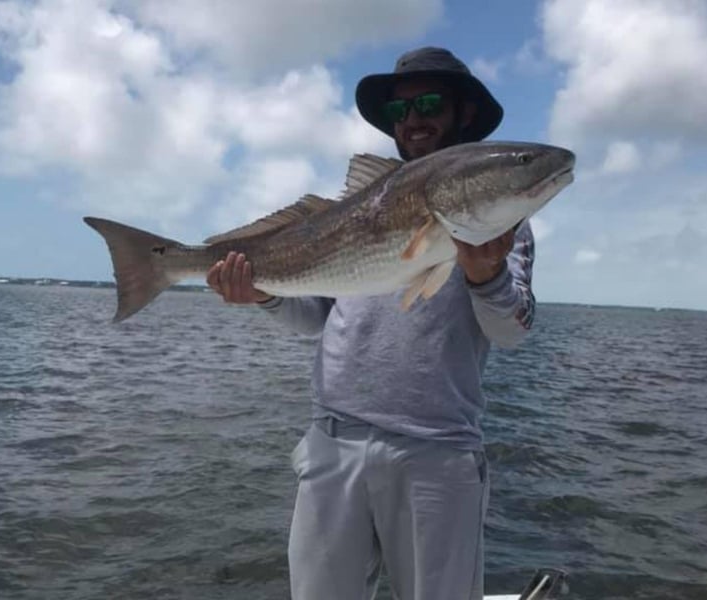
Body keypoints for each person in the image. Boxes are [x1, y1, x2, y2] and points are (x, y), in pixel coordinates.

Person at [207, 47, 535, 600]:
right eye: (400, 112)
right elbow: (316, 317)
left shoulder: (502, 224)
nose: (413, 120)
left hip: (437, 452)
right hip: (333, 442)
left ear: (466, 114)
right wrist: (261, 295)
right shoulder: (359, 206)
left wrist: (486, 276)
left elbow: (512, 330)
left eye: (429, 103)